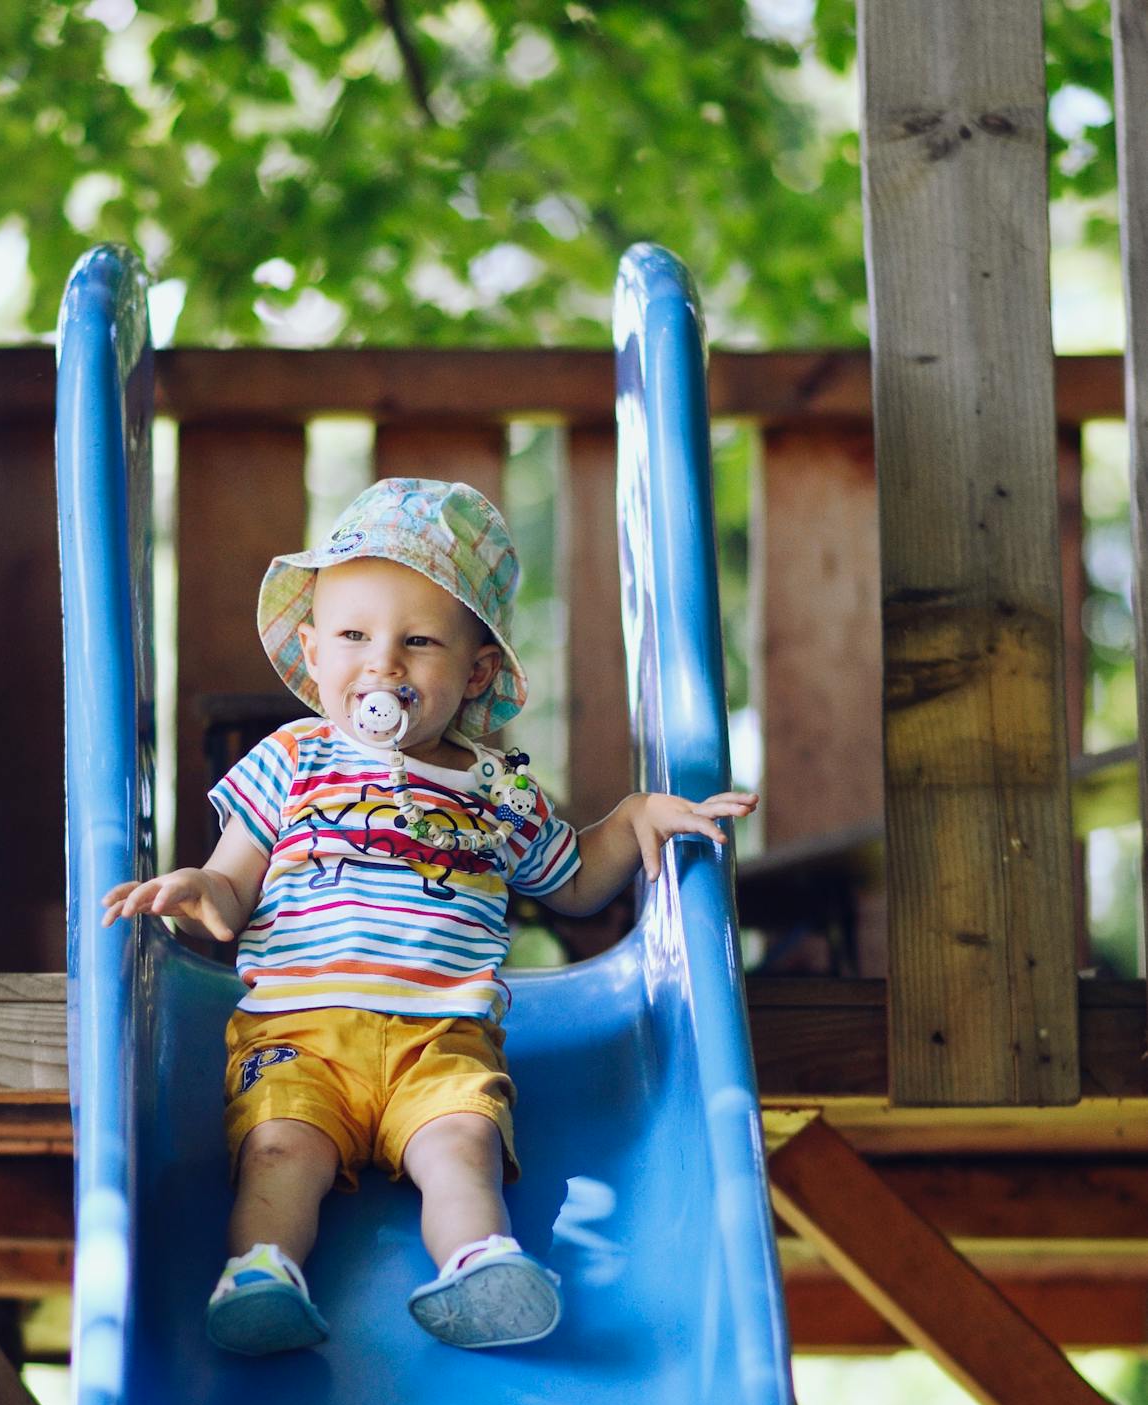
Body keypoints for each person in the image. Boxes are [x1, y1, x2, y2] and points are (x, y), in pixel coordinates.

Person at [101, 477, 755, 1355]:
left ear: (476, 671)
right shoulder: (291, 760)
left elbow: (570, 881)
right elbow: (231, 884)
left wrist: (631, 820)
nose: (382, 666)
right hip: (298, 1028)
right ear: (313, 651)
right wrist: (196, 894)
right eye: (353, 637)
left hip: (442, 1035)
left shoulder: (496, 786)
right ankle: (260, 1274)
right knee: (279, 1150)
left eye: (417, 642)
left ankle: (479, 1268)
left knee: (462, 1146)